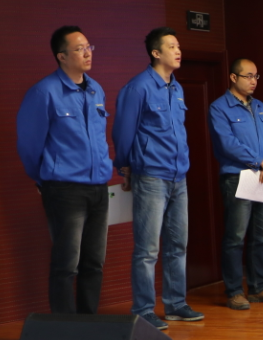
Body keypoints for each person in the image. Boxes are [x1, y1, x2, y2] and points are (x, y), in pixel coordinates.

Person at [16, 26, 112, 315]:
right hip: (64, 189)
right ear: (61, 56)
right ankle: (66, 329)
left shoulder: (96, 89)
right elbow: (29, 144)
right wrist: (43, 178)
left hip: (98, 188)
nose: (87, 53)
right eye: (79, 49)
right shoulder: (44, 92)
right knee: (66, 264)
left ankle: (88, 324)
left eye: (89, 47)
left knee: (94, 263)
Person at [111, 27, 202, 330]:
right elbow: (123, 131)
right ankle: (143, 310)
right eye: (172, 46)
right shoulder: (138, 87)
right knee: (148, 249)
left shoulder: (177, 88)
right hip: (150, 175)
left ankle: (176, 305)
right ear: (155, 53)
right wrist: (125, 167)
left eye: (179, 46)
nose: (178, 51)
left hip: (179, 176)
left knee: (178, 245)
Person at [208, 59, 263, 310]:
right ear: (233, 77)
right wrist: (258, 161)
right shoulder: (219, 108)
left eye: (256, 76)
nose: (253, 81)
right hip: (238, 177)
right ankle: (234, 291)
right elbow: (227, 143)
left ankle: (258, 287)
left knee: (262, 235)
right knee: (236, 237)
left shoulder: (260, 106)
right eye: (248, 76)